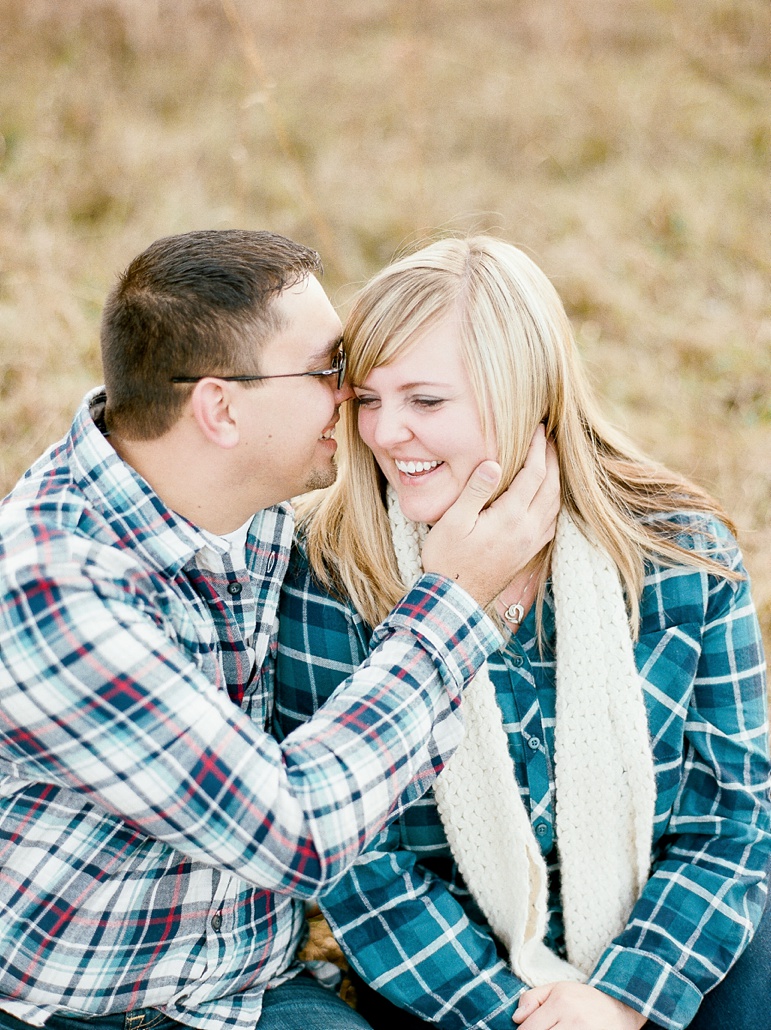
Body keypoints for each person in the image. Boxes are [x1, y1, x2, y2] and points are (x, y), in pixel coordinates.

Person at [0, 230, 562, 1030]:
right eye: (330, 369)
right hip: (64, 1010)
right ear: (221, 409)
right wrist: (456, 602)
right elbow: (295, 833)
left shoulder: (252, 509)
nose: (352, 394)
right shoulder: (51, 591)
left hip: (244, 997)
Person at [275, 235, 771, 1030]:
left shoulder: (679, 552)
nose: (383, 433)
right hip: (452, 978)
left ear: (524, 392)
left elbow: (733, 817)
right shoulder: (331, 567)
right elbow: (363, 866)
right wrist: (516, 1017)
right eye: (367, 399)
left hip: (661, 946)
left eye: (424, 401)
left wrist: (621, 999)